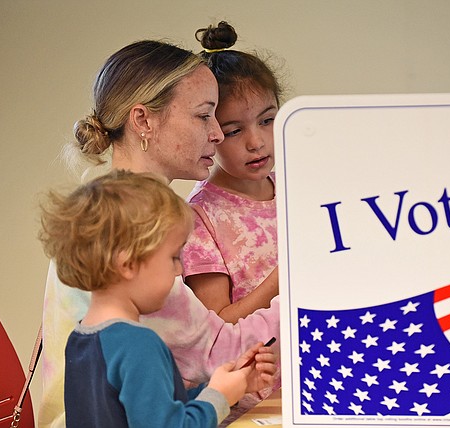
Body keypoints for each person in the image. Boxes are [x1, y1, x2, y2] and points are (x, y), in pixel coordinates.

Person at [39, 39, 280, 428]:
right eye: (204, 116)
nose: (218, 134)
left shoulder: (101, 206)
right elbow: (218, 353)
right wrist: (306, 287)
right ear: (143, 121)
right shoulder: (133, 230)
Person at [38, 170, 277, 428]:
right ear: (128, 263)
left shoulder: (80, 339)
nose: (179, 270)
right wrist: (219, 396)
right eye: (174, 257)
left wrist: (228, 389)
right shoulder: (139, 344)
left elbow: (153, 411)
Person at [181, 21, 283, 425]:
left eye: (268, 120)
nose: (256, 142)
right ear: (210, 131)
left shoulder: (298, 186)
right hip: (249, 405)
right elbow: (219, 325)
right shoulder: (199, 217)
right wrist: (283, 278)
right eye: (234, 130)